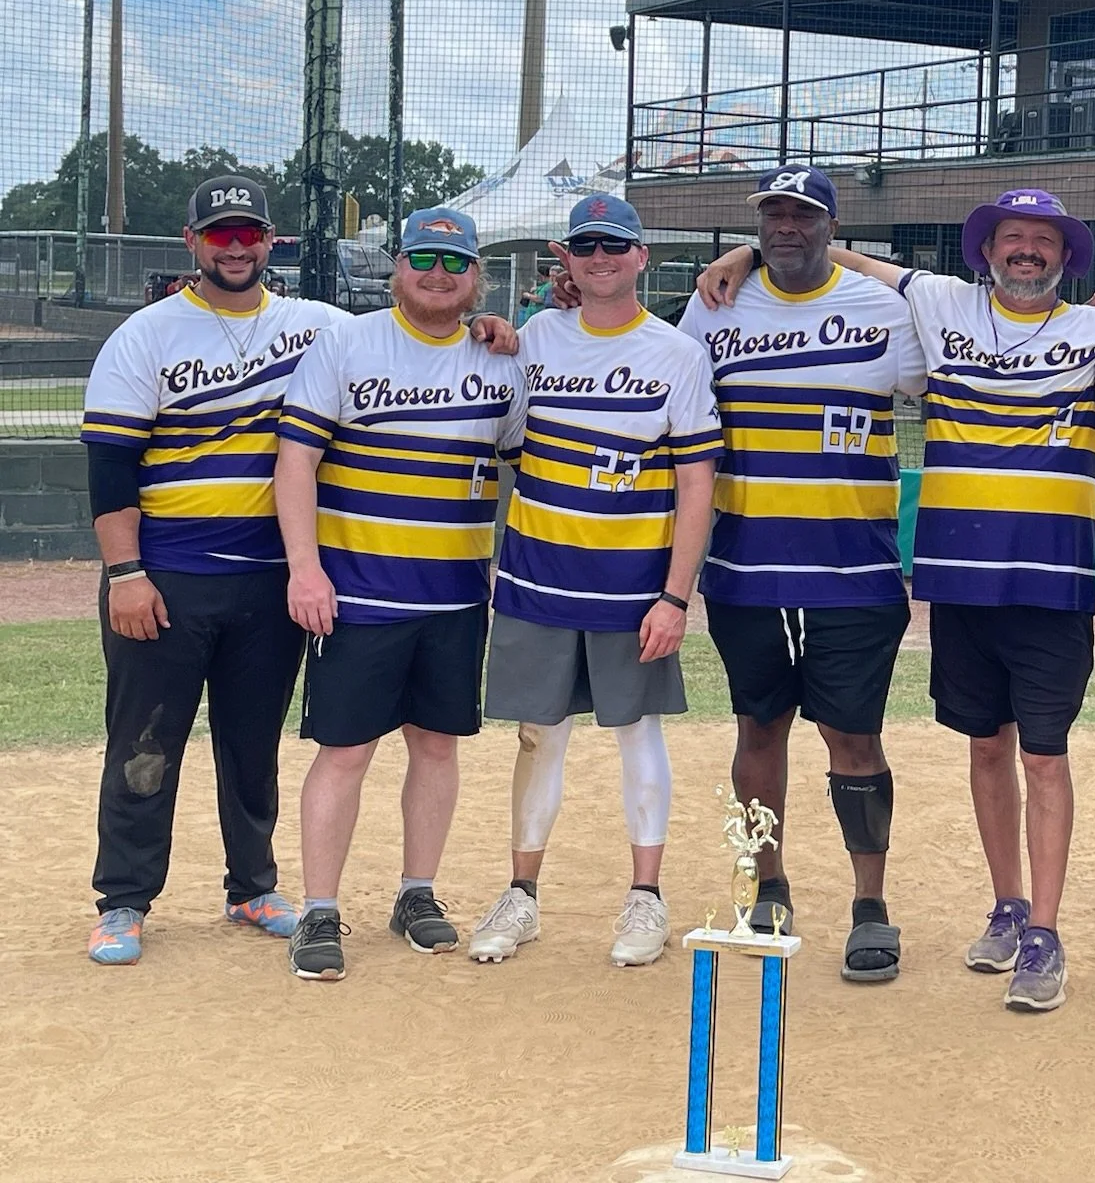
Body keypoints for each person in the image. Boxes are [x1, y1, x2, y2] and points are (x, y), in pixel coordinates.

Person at [694, 187, 1095, 1013]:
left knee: (1042, 757)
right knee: (949, 747)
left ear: (1066, 257)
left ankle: (1051, 935)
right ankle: (997, 907)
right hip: (941, 583)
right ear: (985, 251)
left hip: (1054, 587)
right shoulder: (941, 304)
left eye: (1042, 241)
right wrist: (743, 252)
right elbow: (840, 253)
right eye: (1010, 238)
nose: (1025, 251)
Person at [78, 176, 346, 964]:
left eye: (249, 233)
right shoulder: (147, 335)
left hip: (268, 579)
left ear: (272, 241)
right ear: (191, 245)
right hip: (165, 576)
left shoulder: (319, 327)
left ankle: (252, 886)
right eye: (220, 234)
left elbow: (410, 339)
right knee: (145, 741)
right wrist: (125, 573)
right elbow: (111, 468)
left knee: (252, 740)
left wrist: (491, 329)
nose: (236, 247)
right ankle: (123, 900)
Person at [679, 165, 926, 983]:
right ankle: (767, 883)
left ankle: (869, 904)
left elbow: (956, 342)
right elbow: (669, 393)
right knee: (757, 731)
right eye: (772, 215)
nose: (787, 227)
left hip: (853, 569)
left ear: (831, 225)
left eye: (803, 215)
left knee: (854, 737)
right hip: (746, 566)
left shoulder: (885, 310)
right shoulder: (715, 304)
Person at [467, 195, 720, 969]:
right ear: (565, 259)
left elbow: (697, 484)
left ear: (642, 257)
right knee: (537, 734)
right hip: (539, 574)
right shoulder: (536, 338)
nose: (601, 258)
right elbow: (493, 414)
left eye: (616, 245)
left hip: (632, 584)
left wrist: (676, 595)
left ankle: (646, 897)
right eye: (586, 247)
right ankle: (522, 896)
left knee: (636, 731)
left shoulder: (675, 353)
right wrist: (491, 327)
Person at [276, 207, 525, 982]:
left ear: (476, 278)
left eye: (456, 264)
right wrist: (305, 569)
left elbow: (520, 464)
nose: (439, 274)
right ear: (398, 266)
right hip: (360, 592)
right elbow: (295, 464)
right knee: (345, 750)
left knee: (437, 745)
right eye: (424, 259)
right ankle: (319, 907)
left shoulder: (500, 362)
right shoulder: (348, 343)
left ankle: (417, 893)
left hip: (452, 595)